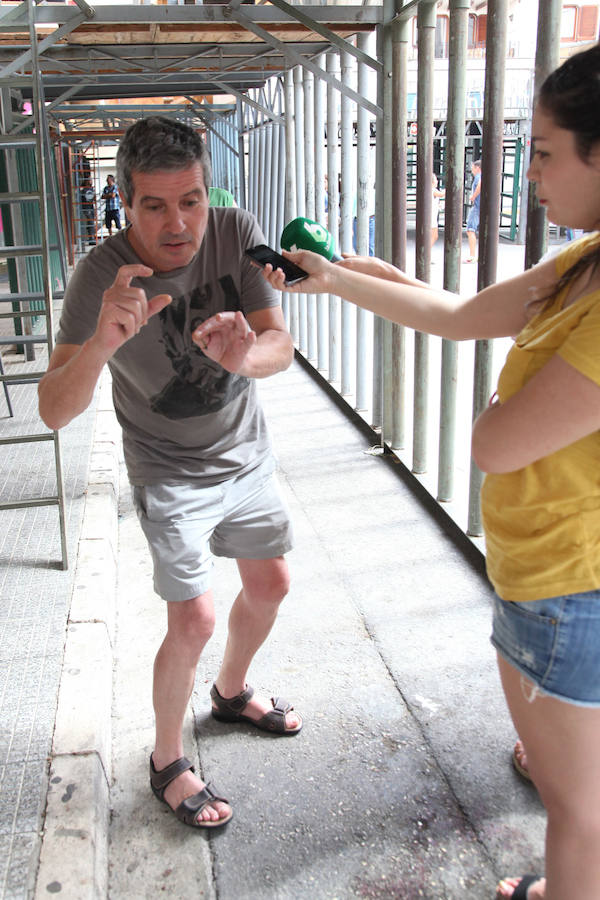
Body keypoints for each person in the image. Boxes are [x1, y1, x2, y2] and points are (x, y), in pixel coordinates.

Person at [264, 44, 600, 900]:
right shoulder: (578, 265)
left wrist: (496, 407)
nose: (533, 177)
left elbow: (495, 444)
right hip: (550, 573)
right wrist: (339, 278)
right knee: (578, 802)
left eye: (549, 152)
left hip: (572, 586)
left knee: (579, 814)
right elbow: (455, 314)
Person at [38, 116, 301, 831]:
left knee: (271, 584)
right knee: (194, 616)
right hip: (167, 469)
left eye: (190, 199)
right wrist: (100, 344)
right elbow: (54, 411)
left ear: (207, 192)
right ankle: (165, 761)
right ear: (124, 203)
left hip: (245, 451)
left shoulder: (233, 229)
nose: (178, 222)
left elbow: (279, 342)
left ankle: (230, 691)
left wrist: (245, 358)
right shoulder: (99, 274)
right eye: (154, 205)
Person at [464, 159, 481, 263]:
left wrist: (473, 196)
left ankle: (472, 255)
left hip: (477, 206)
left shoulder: (479, 177)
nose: (471, 170)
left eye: (473, 168)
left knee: (470, 230)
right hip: (480, 205)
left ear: (477, 168)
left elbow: (480, 184)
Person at [79, 179, 96, 246]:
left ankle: (91, 238)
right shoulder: (83, 190)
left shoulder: (91, 189)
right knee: (90, 222)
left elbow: (94, 199)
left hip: (91, 207)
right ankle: (91, 238)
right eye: (89, 180)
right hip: (86, 207)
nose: (91, 181)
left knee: (91, 223)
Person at [431, 173, 445, 251]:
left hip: (433, 214)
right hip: (431, 216)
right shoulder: (432, 190)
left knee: (432, 235)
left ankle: (427, 253)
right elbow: (441, 194)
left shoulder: (433, 190)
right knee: (434, 235)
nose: (437, 181)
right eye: (436, 180)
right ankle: (426, 252)